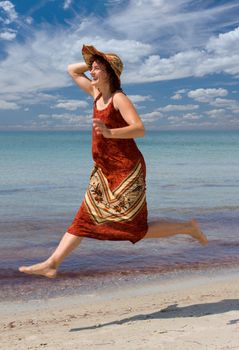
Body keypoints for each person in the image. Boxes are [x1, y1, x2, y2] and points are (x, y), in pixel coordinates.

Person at [19, 44, 208, 279]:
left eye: (97, 69)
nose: (91, 72)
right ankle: (52, 263)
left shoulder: (118, 98)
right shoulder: (96, 94)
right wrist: (97, 60)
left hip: (127, 170)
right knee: (84, 218)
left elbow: (139, 129)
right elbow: (72, 70)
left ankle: (187, 227)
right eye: (92, 68)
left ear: (109, 74)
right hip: (104, 170)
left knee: (135, 230)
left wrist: (110, 133)